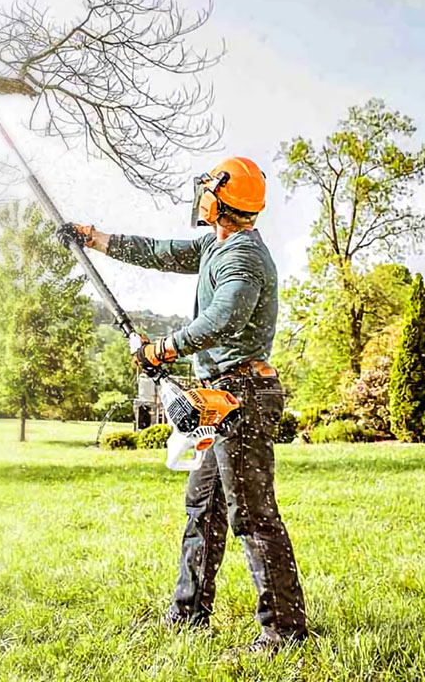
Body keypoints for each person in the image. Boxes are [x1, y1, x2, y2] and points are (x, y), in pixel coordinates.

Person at [67, 156, 307, 655]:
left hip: (241, 398)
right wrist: (95, 238)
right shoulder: (214, 245)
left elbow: (225, 318)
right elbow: (156, 250)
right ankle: (188, 614)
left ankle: (284, 632)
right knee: (203, 508)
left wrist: (165, 347)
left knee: (253, 515)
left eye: (207, 189)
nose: (199, 196)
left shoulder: (242, 257)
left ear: (221, 198)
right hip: (220, 398)